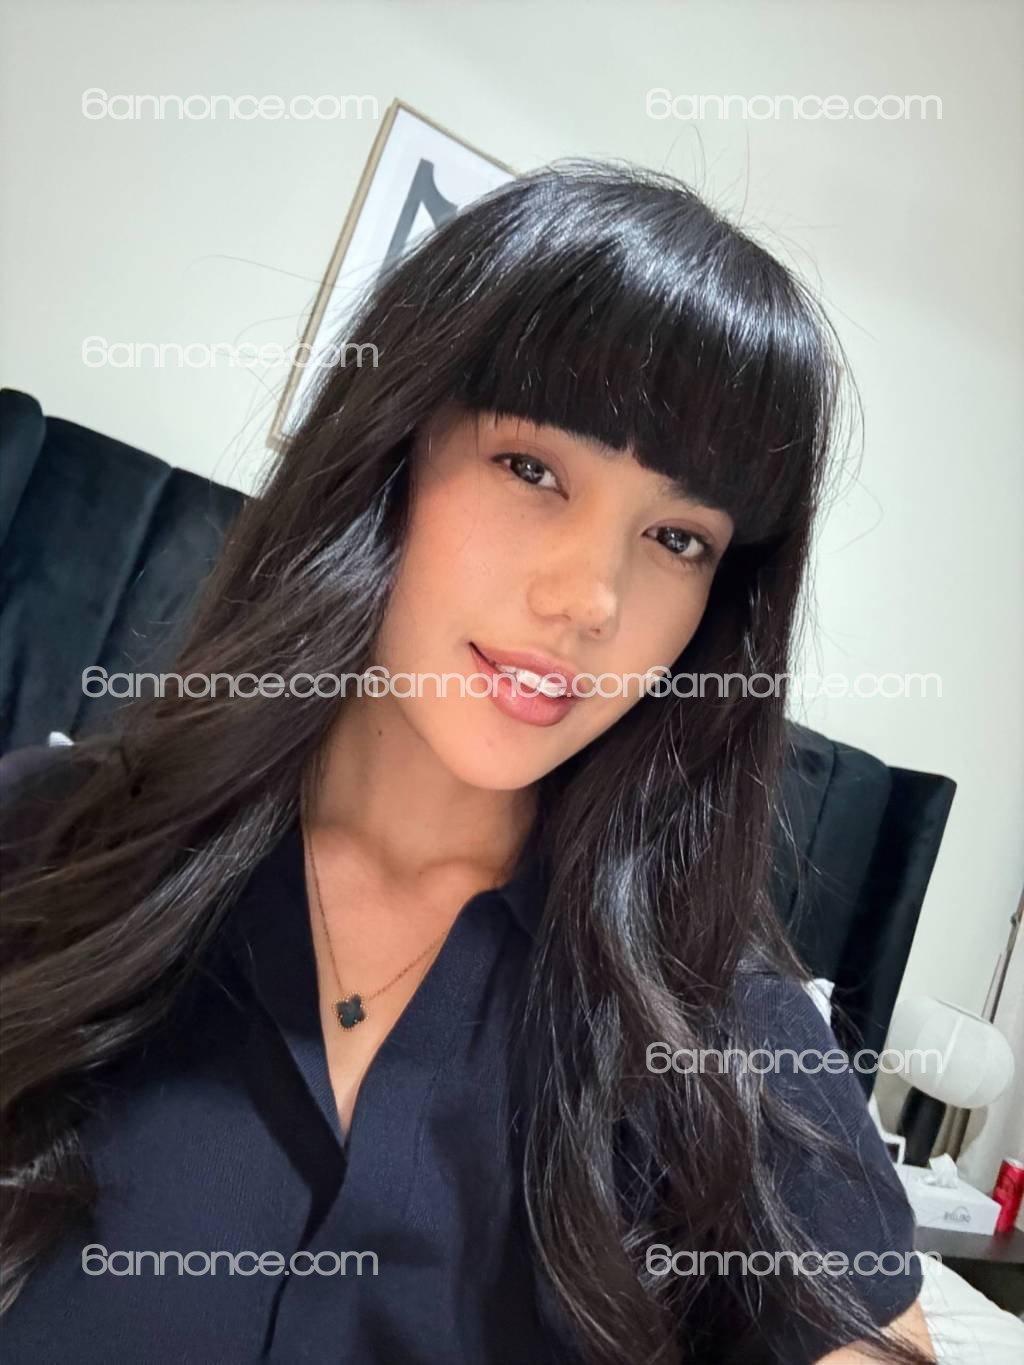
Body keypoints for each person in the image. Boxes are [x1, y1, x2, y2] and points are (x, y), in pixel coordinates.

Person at [0, 160, 935, 1364]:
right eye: (533, 470)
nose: (591, 598)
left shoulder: (723, 1036)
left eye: (676, 537)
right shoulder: (48, 851)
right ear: (393, 453)